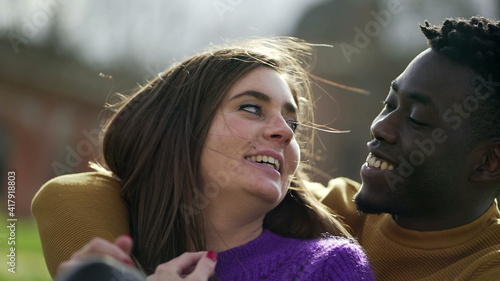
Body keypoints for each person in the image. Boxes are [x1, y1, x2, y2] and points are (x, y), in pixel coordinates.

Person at [33, 37, 375, 280]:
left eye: (292, 123)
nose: (284, 132)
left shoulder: (329, 266)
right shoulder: (110, 262)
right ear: (178, 130)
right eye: (252, 108)